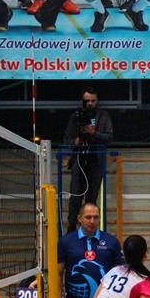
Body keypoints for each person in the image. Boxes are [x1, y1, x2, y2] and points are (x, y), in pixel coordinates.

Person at [63, 86, 113, 233]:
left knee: (92, 196)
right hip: (79, 158)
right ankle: (72, 228)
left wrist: (94, 133)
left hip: (96, 161)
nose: (90, 103)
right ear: (82, 101)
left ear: (97, 101)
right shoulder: (76, 115)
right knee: (75, 196)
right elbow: (67, 137)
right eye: (87, 101)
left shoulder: (103, 115)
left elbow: (109, 137)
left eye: (93, 100)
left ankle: (90, 229)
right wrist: (75, 142)